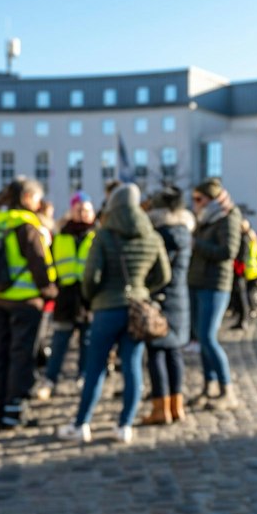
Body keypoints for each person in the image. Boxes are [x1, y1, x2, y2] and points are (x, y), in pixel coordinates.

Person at [60, 183, 168, 444]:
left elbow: (91, 276)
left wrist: (93, 297)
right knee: (132, 367)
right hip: (137, 309)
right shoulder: (151, 235)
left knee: (95, 367)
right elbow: (164, 275)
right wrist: (142, 289)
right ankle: (125, 425)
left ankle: (82, 424)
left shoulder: (104, 235)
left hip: (106, 308)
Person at [0, 177, 55, 429]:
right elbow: (41, 265)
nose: (39, 204)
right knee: (22, 357)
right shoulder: (27, 226)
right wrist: (50, 291)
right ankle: (15, 409)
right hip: (26, 302)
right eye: (37, 199)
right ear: (27, 198)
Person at [187, 178, 244, 408]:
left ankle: (227, 389)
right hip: (197, 282)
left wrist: (196, 245)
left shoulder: (227, 216)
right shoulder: (204, 219)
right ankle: (209, 386)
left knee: (209, 338)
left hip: (215, 284)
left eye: (198, 199)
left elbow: (228, 251)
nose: (195, 203)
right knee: (201, 338)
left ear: (210, 199)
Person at [33, 194, 96, 398]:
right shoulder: (61, 235)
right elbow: (50, 263)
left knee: (87, 342)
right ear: (72, 211)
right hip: (65, 298)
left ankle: (84, 377)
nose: (83, 214)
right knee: (59, 341)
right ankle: (50, 379)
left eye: (86, 210)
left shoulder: (97, 235)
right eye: (79, 209)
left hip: (89, 298)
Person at [143, 186, 194, 425]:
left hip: (160, 297)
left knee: (156, 352)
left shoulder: (158, 233)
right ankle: (177, 406)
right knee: (174, 352)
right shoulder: (185, 232)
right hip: (180, 296)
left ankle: (160, 408)